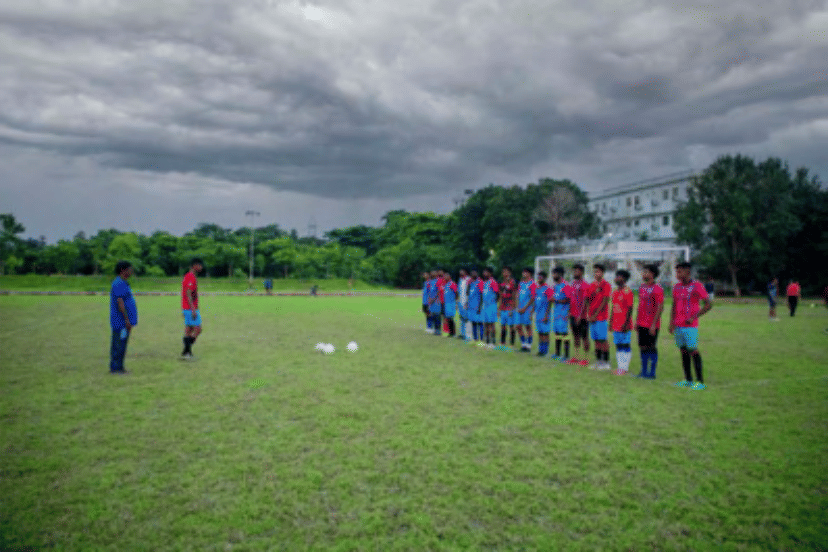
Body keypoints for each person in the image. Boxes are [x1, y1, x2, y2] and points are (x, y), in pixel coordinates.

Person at [670, 262, 713, 390]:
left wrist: (694, 317)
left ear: (687, 271)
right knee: (683, 351)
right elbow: (674, 305)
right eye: (676, 272)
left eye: (679, 272)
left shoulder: (697, 286)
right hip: (678, 325)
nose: (677, 274)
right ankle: (688, 379)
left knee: (693, 350)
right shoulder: (677, 287)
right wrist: (671, 322)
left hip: (690, 326)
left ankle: (700, 381)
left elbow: (708, 304)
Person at [635, 264, 664, 379]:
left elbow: (660, 307)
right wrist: (637, 322)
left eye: (646, 272)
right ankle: (643, 371)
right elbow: (640, 306)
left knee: (651, 347)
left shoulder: (657, 288)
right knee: (642, 347)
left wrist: (653, 325)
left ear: (653, 274)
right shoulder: (642, 287)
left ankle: (652, 372)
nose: (643, 274)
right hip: (641, 323)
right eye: (643, 272)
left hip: (651, 325)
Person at [110, 261, 138, 374]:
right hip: (120, 322)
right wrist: (126, 320)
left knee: (122, 343)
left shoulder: (124, 282)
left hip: (125, 322)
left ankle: (119, 366)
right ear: (123, 270)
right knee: (118, 344)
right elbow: (120, 302)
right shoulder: (118, 283)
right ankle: (116, 368)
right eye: (129, 269)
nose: (131, 271)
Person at [585, 264, 612, 370]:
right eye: (595, 272)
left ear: (603, 273)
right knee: (596, 340)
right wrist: (589, 314)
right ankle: (598, 361)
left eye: (599, 272)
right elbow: (587, 300)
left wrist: (595, 315)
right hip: (592, 317)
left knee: (602, 340)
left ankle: (606, 362)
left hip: (601, 317)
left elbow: (605, 301)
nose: (596, 274)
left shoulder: (606, 285)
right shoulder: (591, 285)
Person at [610, 269, 634, 375]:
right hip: (615, 323)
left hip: (624, 324)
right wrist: (611, 321)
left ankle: (624, 368)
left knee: (625, 345)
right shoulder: (615, 291)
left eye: (618, 276)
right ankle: (620, 367)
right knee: (618, 345)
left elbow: (630, 308)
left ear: (624, 279)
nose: (616, 278)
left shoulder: (627, 291)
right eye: (616, 276)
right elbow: (613, 307)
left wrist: (626, 323)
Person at [567, 263, 591, 367]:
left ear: (581, 272)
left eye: (577, 271)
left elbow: (585, 301)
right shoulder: (573, 284)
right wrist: (569, 312)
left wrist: (580, 315)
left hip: (582, 317)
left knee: (584, 337)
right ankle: (576, 357)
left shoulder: (585, 285)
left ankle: (586, 358)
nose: (575, 273)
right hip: (573, 315)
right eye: (574, 271)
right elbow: (571, 300)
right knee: (575, 336)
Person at [181, 258, 204, 360]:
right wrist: (193, 309)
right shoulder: (190, 276)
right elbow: (188, 293)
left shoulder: (190, 276)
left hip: (188, 308)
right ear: (194, 265)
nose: (201, 267)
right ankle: (187, 351)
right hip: (190, 308)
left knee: (189, 330)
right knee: (198, 329)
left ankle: (186, 352)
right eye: (199, 265)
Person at [550, 267, 572, 362]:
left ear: (560, 274)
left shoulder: (565, 285)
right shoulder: (555, 286)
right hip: (556, 313)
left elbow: (568, 299)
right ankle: (557, 353)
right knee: (557, 333)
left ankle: (566, 355)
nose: (553, 276)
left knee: (564, 333)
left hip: (563, 313)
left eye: (554, 274)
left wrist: (556, 300)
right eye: (553, 274)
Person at [516, 268, 537, 352]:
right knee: (518, 326)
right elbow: (518, 295)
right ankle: (523, 344)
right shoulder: (521, 283)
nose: (523, 273)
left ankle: (528, 345)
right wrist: (518, 306)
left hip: (527, 309)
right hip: (520, 308)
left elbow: (533, 297)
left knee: (528, 327)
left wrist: (525, 308)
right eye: (523, 272)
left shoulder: (532, 283)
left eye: (526, 272)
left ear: (530, 274)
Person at [479, 267, 500, 347]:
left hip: (491, 305)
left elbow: (497, 294)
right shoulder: (485, 282)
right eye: (484, 272)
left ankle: (493, 342)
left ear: (490, 273)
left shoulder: (493, 282)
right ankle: (487, 341)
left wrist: (494, 303)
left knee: (491, 324)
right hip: (485, 306)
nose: (484, 273)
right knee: (486, 324)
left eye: (486, 272)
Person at [533, 271, 552, 356]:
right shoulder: (537, 288)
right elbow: (535, 301)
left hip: (544, 314)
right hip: (538, 314)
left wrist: (546, 315)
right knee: (540, 332)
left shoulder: (548, 288)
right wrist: (532, 312)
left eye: (541, 277)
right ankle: (541, 350)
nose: (539, 278)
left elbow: (550, 302)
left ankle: (546, 351)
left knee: (545, 333)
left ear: (544, 278)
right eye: (538, 277)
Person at [498, 266, 518, 346]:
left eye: (506, 272)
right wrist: (499, 308)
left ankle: (512, 343)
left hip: (510, 307)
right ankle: (503, 342)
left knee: (511, 326)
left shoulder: (512, 283)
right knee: (503, 326)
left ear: (510, 273)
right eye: (503, 272)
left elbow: (514, 296)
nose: (505, 273)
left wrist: (512, 308)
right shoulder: (502, 283)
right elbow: (500, 296)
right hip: (503, 307)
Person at [468, 270, 483, 342]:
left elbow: (481, 295)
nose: (473, 274)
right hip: (471, 306)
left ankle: (482, 338)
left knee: (480, 322)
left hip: (477, 306)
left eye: (474, 272)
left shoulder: (480, 282)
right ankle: (475, 338)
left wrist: (480, 307)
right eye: (471, 273)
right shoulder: (471, 282)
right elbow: (467, 293)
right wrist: (468, 284)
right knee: (473, 322)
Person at [442, 272, 458, 337]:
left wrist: (456, 301)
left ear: (449, 277)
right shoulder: (446, 284)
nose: (445, 277)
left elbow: (456, 292)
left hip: (451, 303)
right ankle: (450, 332)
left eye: (446, 276)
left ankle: (453, 333)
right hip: (446, 303)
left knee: (451, 318)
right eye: (444, 276)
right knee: (448, 318)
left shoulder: (452, 284)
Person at [426, 270, 442, 336]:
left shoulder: (438, 281)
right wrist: (429, 299)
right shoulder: (430, 282)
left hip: (436, 301)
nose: (433, 274)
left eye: (434, 273)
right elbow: (429, 291)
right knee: (432, 315)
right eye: (432, 273)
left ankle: (438, 330)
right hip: (431, 301)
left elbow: (438, 291)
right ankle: (434, 329)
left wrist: (433, 299)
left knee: (437, 316)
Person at [457, 269, 471, 340]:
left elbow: (469, 292)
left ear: (465, 272)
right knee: (461, 318)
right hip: (461, 302)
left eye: (462, 271)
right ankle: (462, 334)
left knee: (467, 319)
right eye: (460, 271)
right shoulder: (460, 280)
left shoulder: (469, 279)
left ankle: (468, 335)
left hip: (466, 302)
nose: (460, 272)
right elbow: (459, 292)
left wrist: (467, 301)